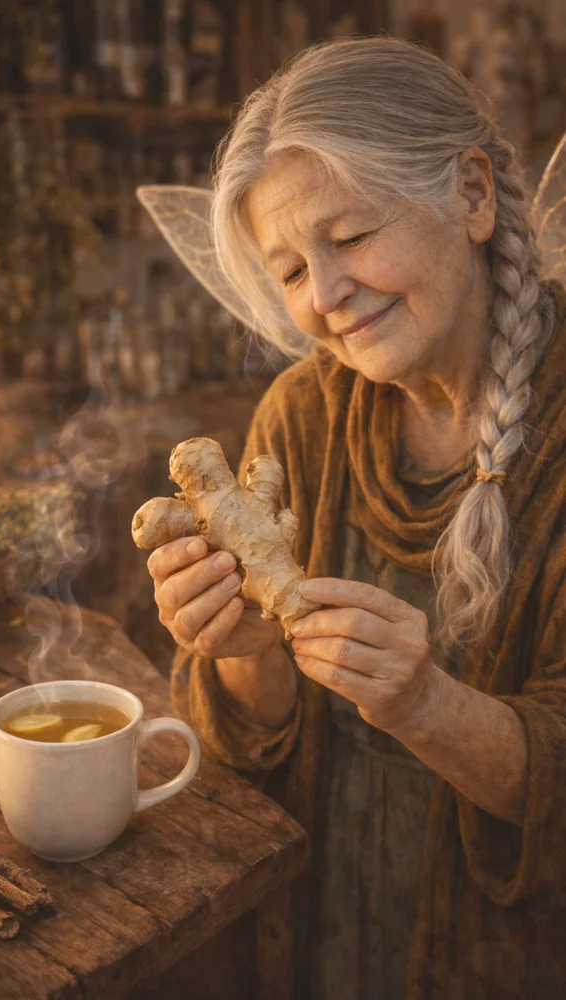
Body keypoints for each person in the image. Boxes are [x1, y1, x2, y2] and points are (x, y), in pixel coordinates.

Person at [144, 37, 566, 1000]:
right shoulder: (300, 416)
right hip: (322, 934)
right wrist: (244, 646)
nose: (324, 298)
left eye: (349, 237)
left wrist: (426, 706)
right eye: (290, 270)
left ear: (471, 194)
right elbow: (251, 743)